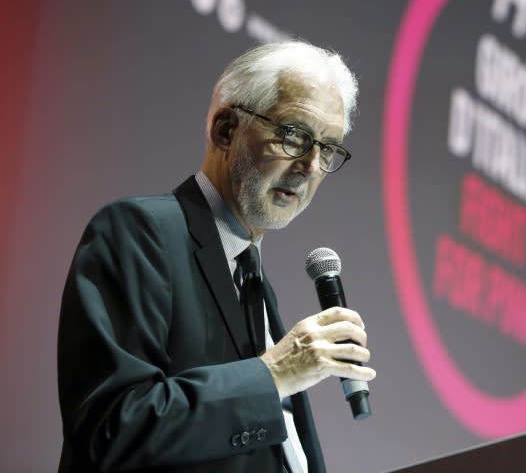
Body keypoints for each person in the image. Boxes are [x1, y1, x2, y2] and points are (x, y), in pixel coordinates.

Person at [57, 41, 376, 473]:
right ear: (226, 130)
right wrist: (274, 374)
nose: (310, 165)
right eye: (295, 135)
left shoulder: (255, 285)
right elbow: (112, 428)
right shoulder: (140, 232)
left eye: (328, 148)